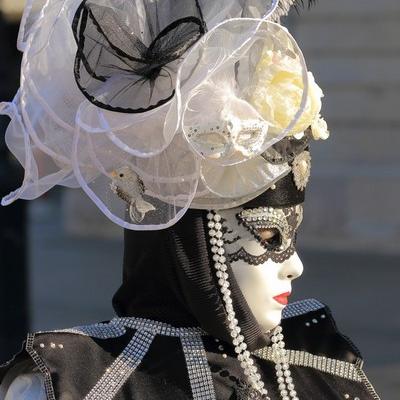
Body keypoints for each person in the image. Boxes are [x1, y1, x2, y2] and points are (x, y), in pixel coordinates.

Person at [0, 0, 381, 399]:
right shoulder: (72, 382)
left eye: (289, 240)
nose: (295, 267)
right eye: (269, 238)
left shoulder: (320, 366)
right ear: (192, 243)